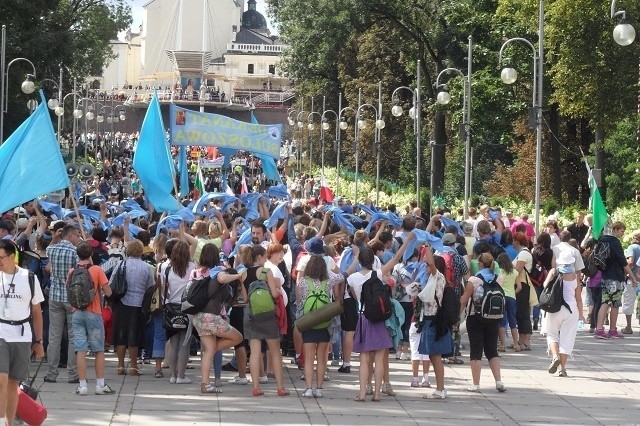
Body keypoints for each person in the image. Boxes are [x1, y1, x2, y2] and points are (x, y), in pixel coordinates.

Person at [0, 240, 45, 426]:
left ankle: (9, 422)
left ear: (12, 257)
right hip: (0, 332)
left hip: (22, 334)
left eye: (1, 257)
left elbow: (36, 312)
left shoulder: (29, 277)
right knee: (1, 379)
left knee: (13, 383)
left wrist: (39, 341)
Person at [191, 243, 244, 393]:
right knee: (238, 337)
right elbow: (222, 278)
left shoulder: (198, 272)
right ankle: (213, 352)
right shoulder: (217, 271)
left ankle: (205, 384)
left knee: (208, 350)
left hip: (198, 316)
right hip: (211, 317)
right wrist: (238, 275)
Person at [244, 245, 289, 397]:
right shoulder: (266, 271)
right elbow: (276, 295)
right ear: (259, 257)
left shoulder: (243, 274)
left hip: (251, 315)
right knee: (275, 351)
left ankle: (256, 387)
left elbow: (244, 299)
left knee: (255, 352)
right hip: (267, 315)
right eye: (264, 257)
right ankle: (280, 387)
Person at [70, 242, 114, 396]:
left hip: (77, 312)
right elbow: (108, 292)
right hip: (94, 312)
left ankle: (82, 385)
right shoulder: (97, 270)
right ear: (91, 255)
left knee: (80, 349)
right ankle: (100, 384)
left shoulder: (72, 271)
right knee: (98, 350)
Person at [460, 252, 507, 393]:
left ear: (480, 264)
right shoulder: (499, 279)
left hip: (475, 317)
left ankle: (475, 384)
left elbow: (464, 300)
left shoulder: (474, 280)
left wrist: (457, 317)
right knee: (492, 349)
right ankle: (498, 381)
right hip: (494, 318)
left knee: (476, 349)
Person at [298, 255, 343, 398]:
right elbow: (342, 275)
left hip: (309, 323)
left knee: (309, 358)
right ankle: (319, 388)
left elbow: (300, 300)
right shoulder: (328, 281)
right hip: (324, 323)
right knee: (322, 358)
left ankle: (309, 388)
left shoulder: (304, 282)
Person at [44, 224, 83, 384]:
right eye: (77, 236)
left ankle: (51, 373)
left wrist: (55, 236)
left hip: (55, 296)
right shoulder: (75, 252)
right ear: (71, 235)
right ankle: (72, 373)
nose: (79, 239)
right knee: (73, 335)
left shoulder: (52, 250)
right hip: (71, 297)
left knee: (54, 336)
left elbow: (48, 254)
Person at [111, 239, 154, 376]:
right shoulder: (147, 267)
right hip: (139, 304)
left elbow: (112, 282)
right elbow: (150, 287)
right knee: (135, 336)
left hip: (122, 303)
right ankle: (134, 367)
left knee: (121, 335)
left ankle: (120, 365)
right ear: (141, 251)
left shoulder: (120, 265)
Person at [545, 236, 585, 377]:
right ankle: (563, 369)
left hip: (555, 308)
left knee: (552, 334)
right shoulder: (575, 277)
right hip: (571, 309)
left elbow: (545, 287)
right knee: (567, 338)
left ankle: (555, 356)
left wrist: (552, 274)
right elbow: (579, 299)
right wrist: (581, 315)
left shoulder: (554, 273)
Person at [415, 246, 451, 400]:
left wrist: (428, 247)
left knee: (435, 356)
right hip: (430, 318)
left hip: (434, 319)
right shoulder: (432, 279)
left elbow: (430, 264)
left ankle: (440, 389)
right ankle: (440, 388)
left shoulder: (438, 276)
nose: (426, 267)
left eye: (428, 265)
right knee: (432, 355)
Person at [594, 222, 638, 339]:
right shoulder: (614, 242)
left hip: (605, 276)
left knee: (605, 302)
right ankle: (612, 330)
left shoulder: (602, 240)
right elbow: (623, 261)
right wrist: (632, 277)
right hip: (615, 277)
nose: (623, 234)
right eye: (622, 231)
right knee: (615, 303)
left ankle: (599, 329)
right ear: (616, 230)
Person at [164, 240, 196, 384]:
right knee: (185, 343)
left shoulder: (167, 269)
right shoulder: (192, 267)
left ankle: (172, 375)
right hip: (187, 308)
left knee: (173, 342)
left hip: (171, 307)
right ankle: (181, 375)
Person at [512, 232, 533, 350]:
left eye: (513, 240)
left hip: (523, 286)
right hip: (521, 285)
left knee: (523, 312)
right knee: (520, 313)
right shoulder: (521, 253)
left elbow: (518, 270)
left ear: (517, 241)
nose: (512, 243)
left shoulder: (523, 254)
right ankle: (521, 340)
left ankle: (526, 341)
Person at [496, 253, 519, 352]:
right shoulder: (514, 272)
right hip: (512, 297)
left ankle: (502, 344)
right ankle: (516, 344)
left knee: (502, 322)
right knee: (513, 322)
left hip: (502, 297)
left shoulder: (499, 272)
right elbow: (519, 287)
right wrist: (513, 292)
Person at [623, 230, 640, 335]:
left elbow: (630, 262)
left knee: (628, 302)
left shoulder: (632, 248)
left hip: (633, 279)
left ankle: (628, 326)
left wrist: (627, 274)